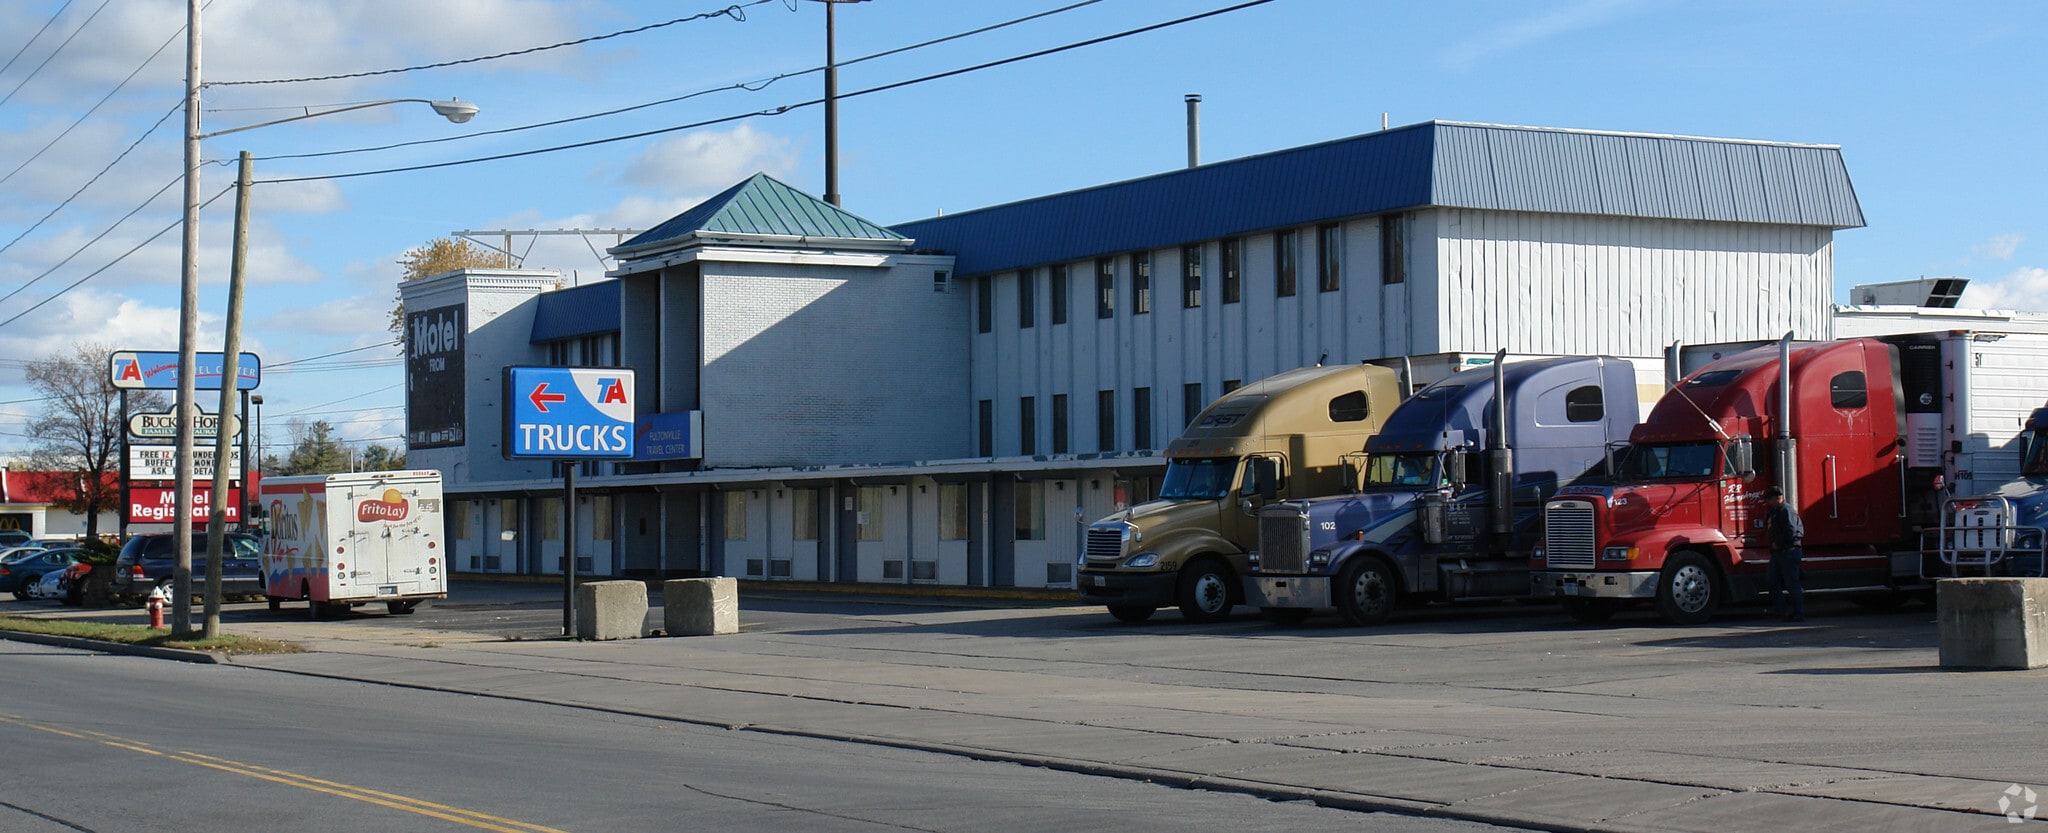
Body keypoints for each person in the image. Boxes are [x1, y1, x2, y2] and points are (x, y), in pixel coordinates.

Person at [1761, 487, 1805, 621]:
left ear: (1777, 498)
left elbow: (1791, 532)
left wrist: (1778, 543)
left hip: (1789, 551)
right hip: (1778, 553)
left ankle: (1798, 613)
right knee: (1771, 580)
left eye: (1770, 499)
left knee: (1792, 582)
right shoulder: (1776, 511)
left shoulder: (1786, 511)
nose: (1768, 502)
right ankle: (1781, 611)